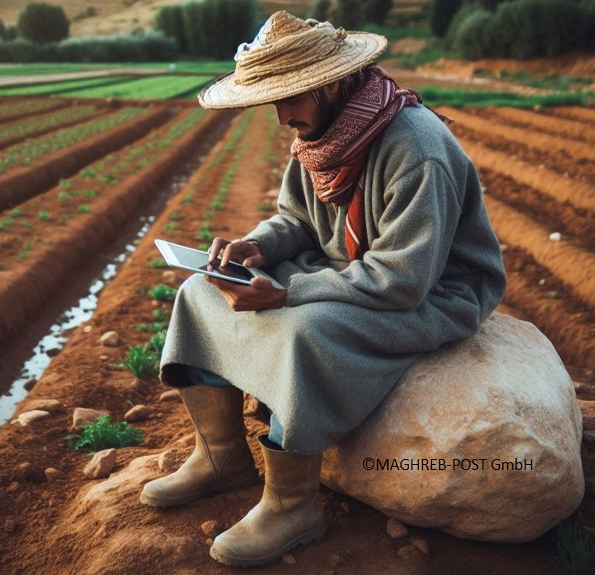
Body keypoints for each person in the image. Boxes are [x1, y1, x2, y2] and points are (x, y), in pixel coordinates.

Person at [140, 10, 507, 568]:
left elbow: (403, 281)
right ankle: (220, 459)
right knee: (200, 292)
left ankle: (294, 507)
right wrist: (257, 248)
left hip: (432, 291)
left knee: (307, 331)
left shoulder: (418, 149)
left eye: (292, 98)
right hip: (351, 267)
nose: (283, 115)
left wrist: (288, 294)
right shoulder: (323, 135)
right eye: (275, 100)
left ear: (333, 82)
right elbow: (298, 220)